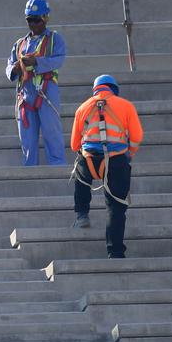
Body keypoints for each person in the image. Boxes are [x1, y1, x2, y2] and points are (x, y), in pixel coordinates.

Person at [70, 74, 143, 258]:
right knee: (115, 207)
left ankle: (82, 214)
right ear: (114, 89)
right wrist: (129, 154)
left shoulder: (82, 107)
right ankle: (115, 252)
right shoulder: (126, 105)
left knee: (80, 175)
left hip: (90, 160)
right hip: (116, 160)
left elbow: (74, 144)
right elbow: (137, 137)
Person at [6, 0, 67, 166]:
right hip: (25, 95)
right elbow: (9, 66)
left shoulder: (54, 39)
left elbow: (59, 60)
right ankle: (30, 170)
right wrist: (15, 69)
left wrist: (37, 62)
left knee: (52, 133)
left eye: (36, 20)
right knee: (27, 138)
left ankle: (57, 168)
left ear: (45, 18)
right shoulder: (20, 44)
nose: (33, 24)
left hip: (46, 93)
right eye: (29, 20)